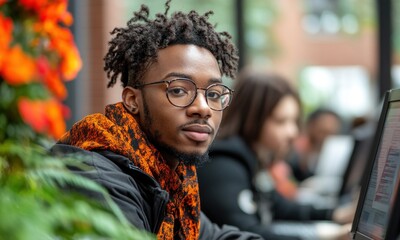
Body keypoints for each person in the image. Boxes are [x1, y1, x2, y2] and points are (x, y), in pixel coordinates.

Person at [51, 1, 263, 239]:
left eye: (213, 94)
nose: (203, 108)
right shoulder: (99, 181)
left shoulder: (172, 181)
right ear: (133, 100)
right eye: (179, 90)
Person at [197, 69, 354, 240]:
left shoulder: (252, 159)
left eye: (294, 121)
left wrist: (336, 214)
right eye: (281, 121)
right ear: (253, 118)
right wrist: (322, 236)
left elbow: (278, 206)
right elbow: (247, 232)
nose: (293, 132)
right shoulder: (224, 166)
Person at [289, 108, 343, 182]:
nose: (327, 138)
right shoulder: (293, 151)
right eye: (323, 132)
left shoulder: (335, 158)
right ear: (310, 126)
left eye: (331, 133)